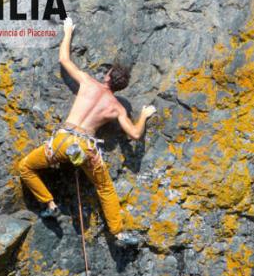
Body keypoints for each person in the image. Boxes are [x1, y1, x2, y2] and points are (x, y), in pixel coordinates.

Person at [18, 16, 156, 248]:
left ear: (108, 75)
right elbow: (134, 134)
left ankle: (50, 204)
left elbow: (64, 59)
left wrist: (68, 32)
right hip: (85, 148)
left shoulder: (87, 82)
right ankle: (118, 234)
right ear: (120, 87)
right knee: (105, 188)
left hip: (62, 142)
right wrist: (143, 115)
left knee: (25, 167)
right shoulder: (117, 108)